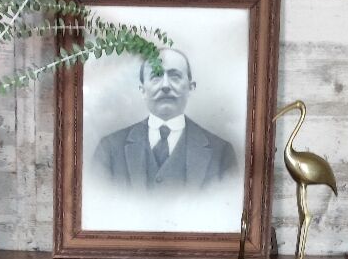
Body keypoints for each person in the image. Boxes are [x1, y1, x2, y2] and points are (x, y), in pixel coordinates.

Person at [92, 48, 238, 191]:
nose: (165, 85)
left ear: (190, 88)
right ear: (142, 90)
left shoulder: (222, 154)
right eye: (156, 76)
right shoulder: (109, 150)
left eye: (175, 76)